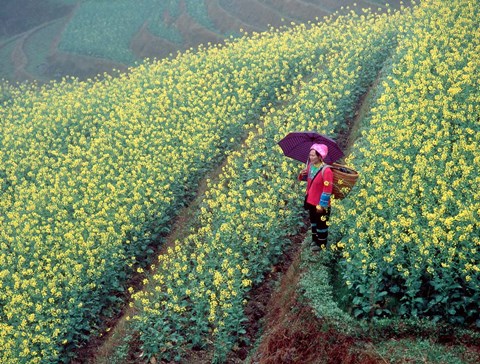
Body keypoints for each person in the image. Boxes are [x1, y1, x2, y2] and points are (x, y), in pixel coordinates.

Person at [298, 143, 333, 251]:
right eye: (310, 155)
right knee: (313, 222)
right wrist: (301, 174)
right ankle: (315, 240)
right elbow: (307, 180)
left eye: (313, 155)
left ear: (319, 156)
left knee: (321, 224)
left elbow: (328, 189)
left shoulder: (326, 170)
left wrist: (322, 205)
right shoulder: (310, 166)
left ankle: (321, 244)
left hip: (320, 203)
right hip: (311, 200)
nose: (310, 157)